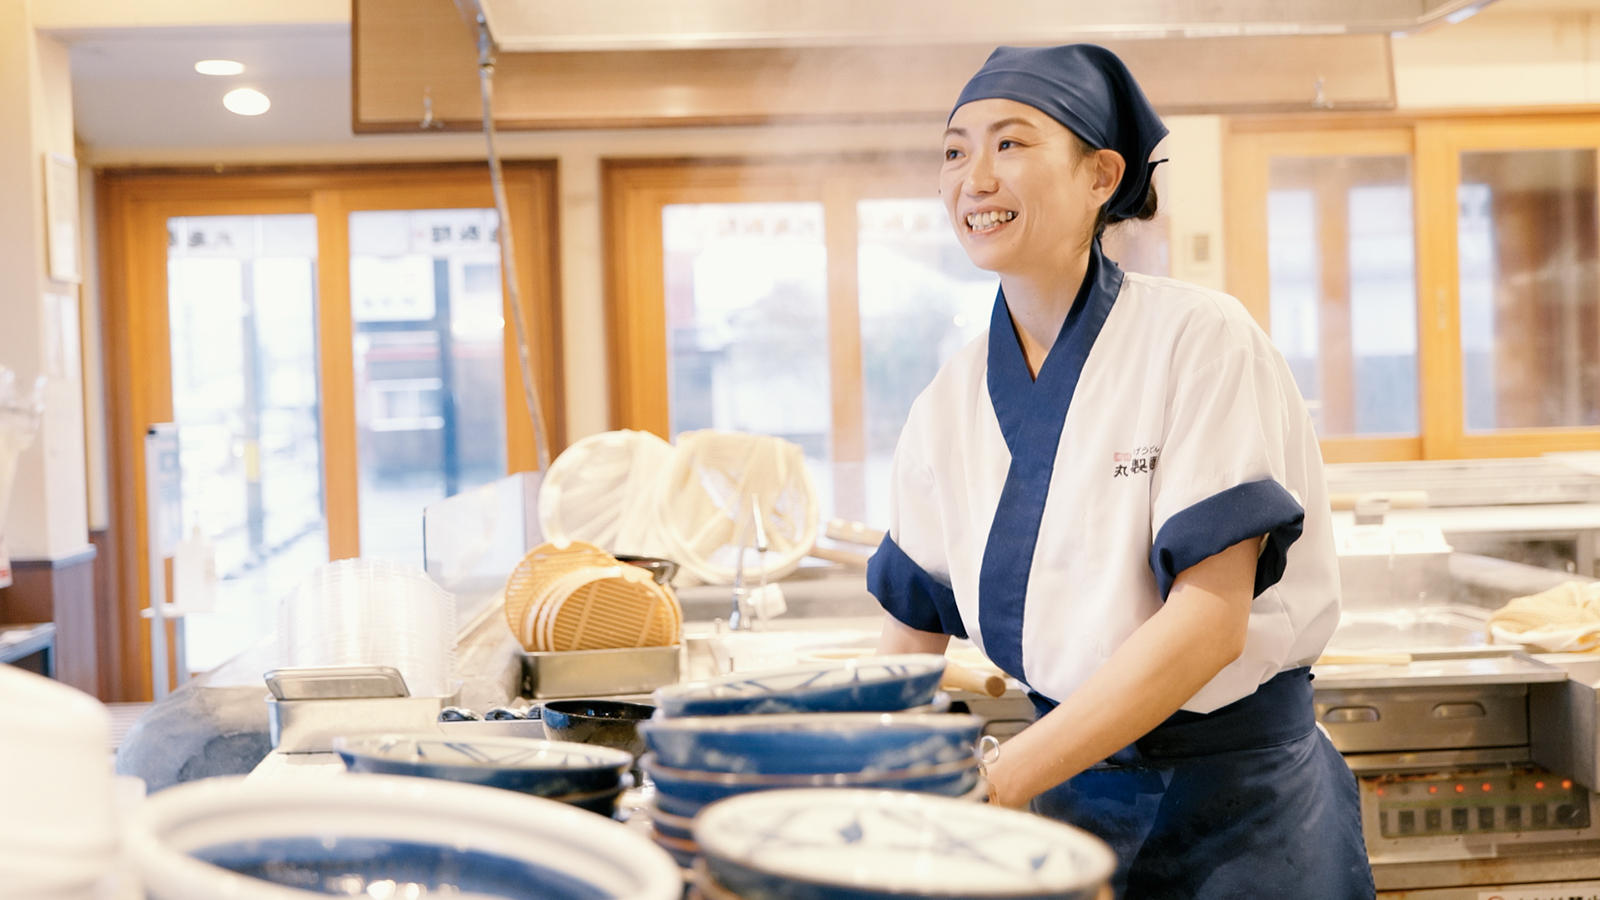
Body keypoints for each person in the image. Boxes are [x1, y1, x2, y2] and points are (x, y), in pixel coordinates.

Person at [869, 44, 1374, 899]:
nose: (973, 178)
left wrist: (996, 779)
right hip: (1070, 804)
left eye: (1011, 144)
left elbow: (1210, 622)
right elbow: (908, 641)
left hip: (1245, 815)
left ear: (1102, 175)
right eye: (955, 150)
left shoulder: (1201, 338)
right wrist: (853, 765)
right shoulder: (946, 403)